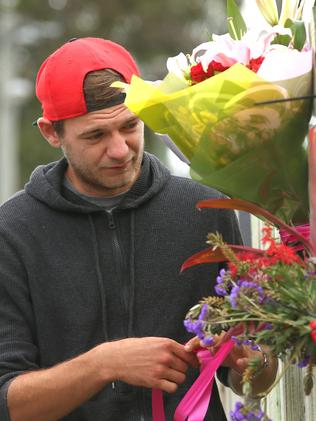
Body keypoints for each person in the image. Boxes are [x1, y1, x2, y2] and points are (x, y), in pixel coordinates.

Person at [0, 37, 277, 421]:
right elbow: (8, 403)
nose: (120, 149)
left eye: (130, 125)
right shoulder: (11, 232)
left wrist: (250, 360)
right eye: (96, 135)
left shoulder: (208, 210)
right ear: (51, 132)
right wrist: (103, 364)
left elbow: (260, 377)